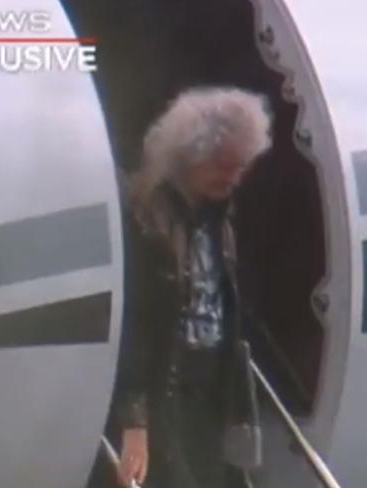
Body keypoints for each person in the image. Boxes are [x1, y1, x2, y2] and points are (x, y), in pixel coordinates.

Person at [114, 86, 272, 488]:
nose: (232, 178)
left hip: (211, 380)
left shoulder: (221, 221)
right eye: (223, 165)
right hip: (166, 380)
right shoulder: (147, 217)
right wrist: (135, 420)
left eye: (240, 168)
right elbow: (134, 321)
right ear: (190, 158)